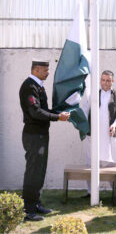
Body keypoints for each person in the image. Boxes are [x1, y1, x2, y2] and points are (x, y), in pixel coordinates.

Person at [19, 59, 70, 222]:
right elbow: (35, 112)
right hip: (33, 136)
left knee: (39, 171)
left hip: (40, 135)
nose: (48, 73)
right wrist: (57, 118)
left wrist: (58, 112)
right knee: (33, 172)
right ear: (36, 70)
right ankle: (28, 210)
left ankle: (36, 203)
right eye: (45, 70)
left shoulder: (38, 85)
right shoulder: (29, 86)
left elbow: (43, 109)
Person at [82, 70, 116, 201]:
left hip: (112, 134)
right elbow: (85, 110)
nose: (105, 83)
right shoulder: (93, 94)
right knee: (91, 161)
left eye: (108, 80)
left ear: (113, 81)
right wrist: (84, 126)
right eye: (103, 80)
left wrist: (115, 124)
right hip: (95, 135)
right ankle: (91, 191)